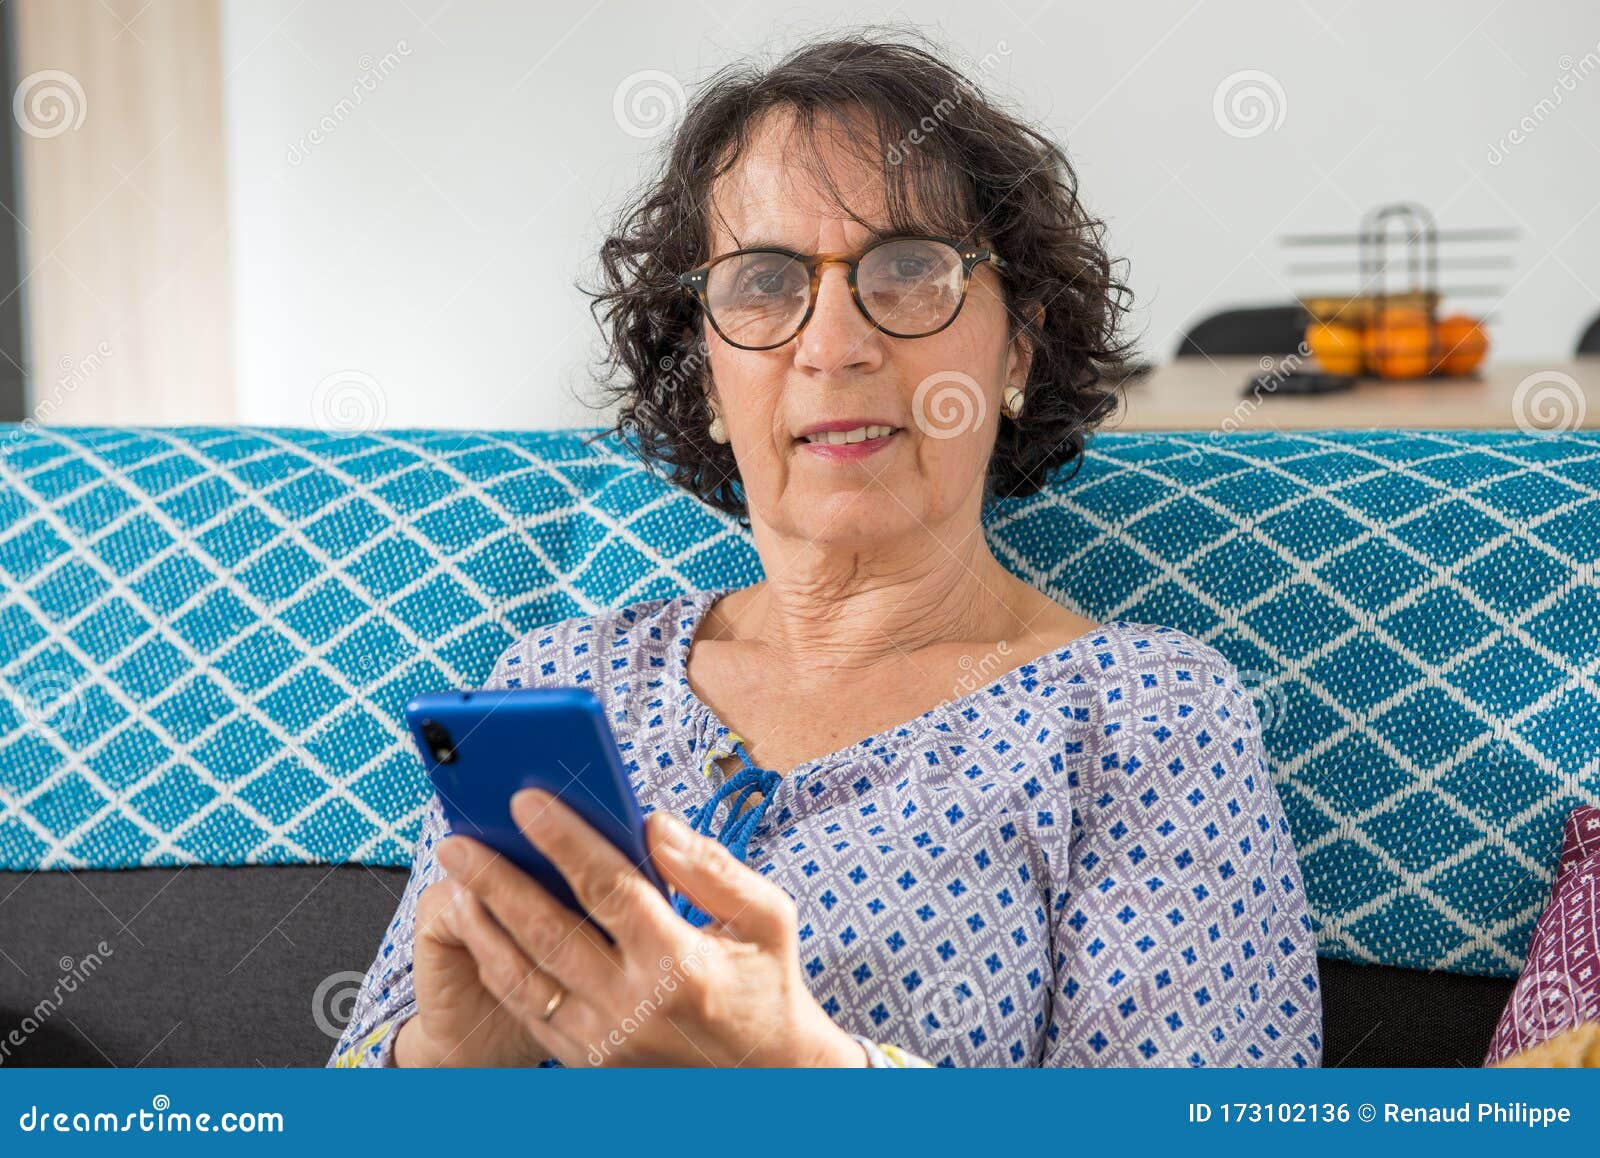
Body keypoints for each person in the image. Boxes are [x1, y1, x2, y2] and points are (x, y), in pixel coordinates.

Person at [331, 33, 1322, 1069]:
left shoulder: (1144, 716)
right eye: (763, 281)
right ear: (707, 377)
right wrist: (436, 1068)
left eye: (905, 270)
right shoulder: (552, 683)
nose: (833, 344)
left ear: (1015, 347)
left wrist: (805, 1074)